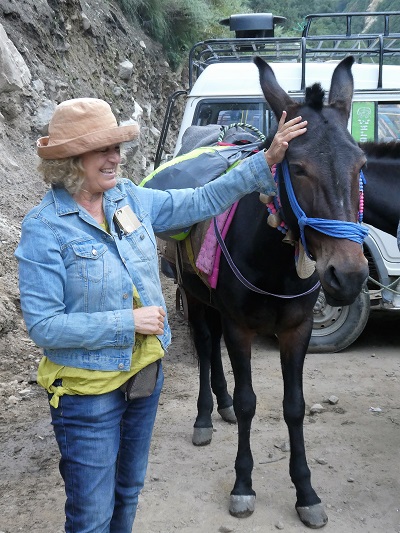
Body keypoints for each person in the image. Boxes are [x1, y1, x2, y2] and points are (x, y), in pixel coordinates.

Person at [15, 97, 307, 533]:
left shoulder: (129, 198)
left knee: (129, 492)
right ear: (71, 161)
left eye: (117, 147)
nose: (115, 157)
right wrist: (126, 323)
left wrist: (264, 160)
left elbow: (202, 199)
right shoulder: (45, 227)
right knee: (91, 515)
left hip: (145, 380)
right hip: (87, 392)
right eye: (102, 150)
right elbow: (44, 326)